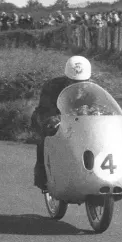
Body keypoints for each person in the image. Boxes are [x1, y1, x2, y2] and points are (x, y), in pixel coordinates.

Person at [31, 56, 92, 192]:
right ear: (67, 77)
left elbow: (100, 106)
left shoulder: (93, 88)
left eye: (82, 81)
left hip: (81, 121)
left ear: (88, 78)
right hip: (53, 117)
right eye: (73, 81)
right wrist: (55, 119)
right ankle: (43, 177)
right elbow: (46, 109)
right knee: (45, 137)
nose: (77, 84)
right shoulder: (52, 86)